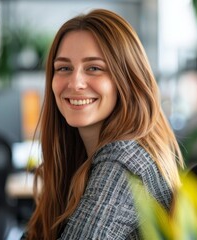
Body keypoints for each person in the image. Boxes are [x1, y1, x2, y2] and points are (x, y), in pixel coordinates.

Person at [23, 8, 184, 240]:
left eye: (94, 68)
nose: (75, 82)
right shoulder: (84, 158)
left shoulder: (123, 162)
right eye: (64, 68)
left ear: (126, 79)